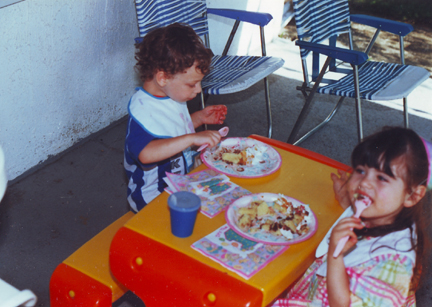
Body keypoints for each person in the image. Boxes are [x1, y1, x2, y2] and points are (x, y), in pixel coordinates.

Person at [272, 127, 432, 307]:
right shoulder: (383, 213)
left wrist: (335, 255)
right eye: (361, 171)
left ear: (412, 196)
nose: (364, 183)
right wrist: (348, 204)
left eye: (381, 178)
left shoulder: (393, 266)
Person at [124, 23, 228, 212]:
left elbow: (173, 127)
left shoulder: (169, 93)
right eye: (192, 84)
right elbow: (145, 154)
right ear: (163, 78)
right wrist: (192, 138)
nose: (198, 90)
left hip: (178, 184)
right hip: (151, 200)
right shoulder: (143, 112)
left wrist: (198, 118)